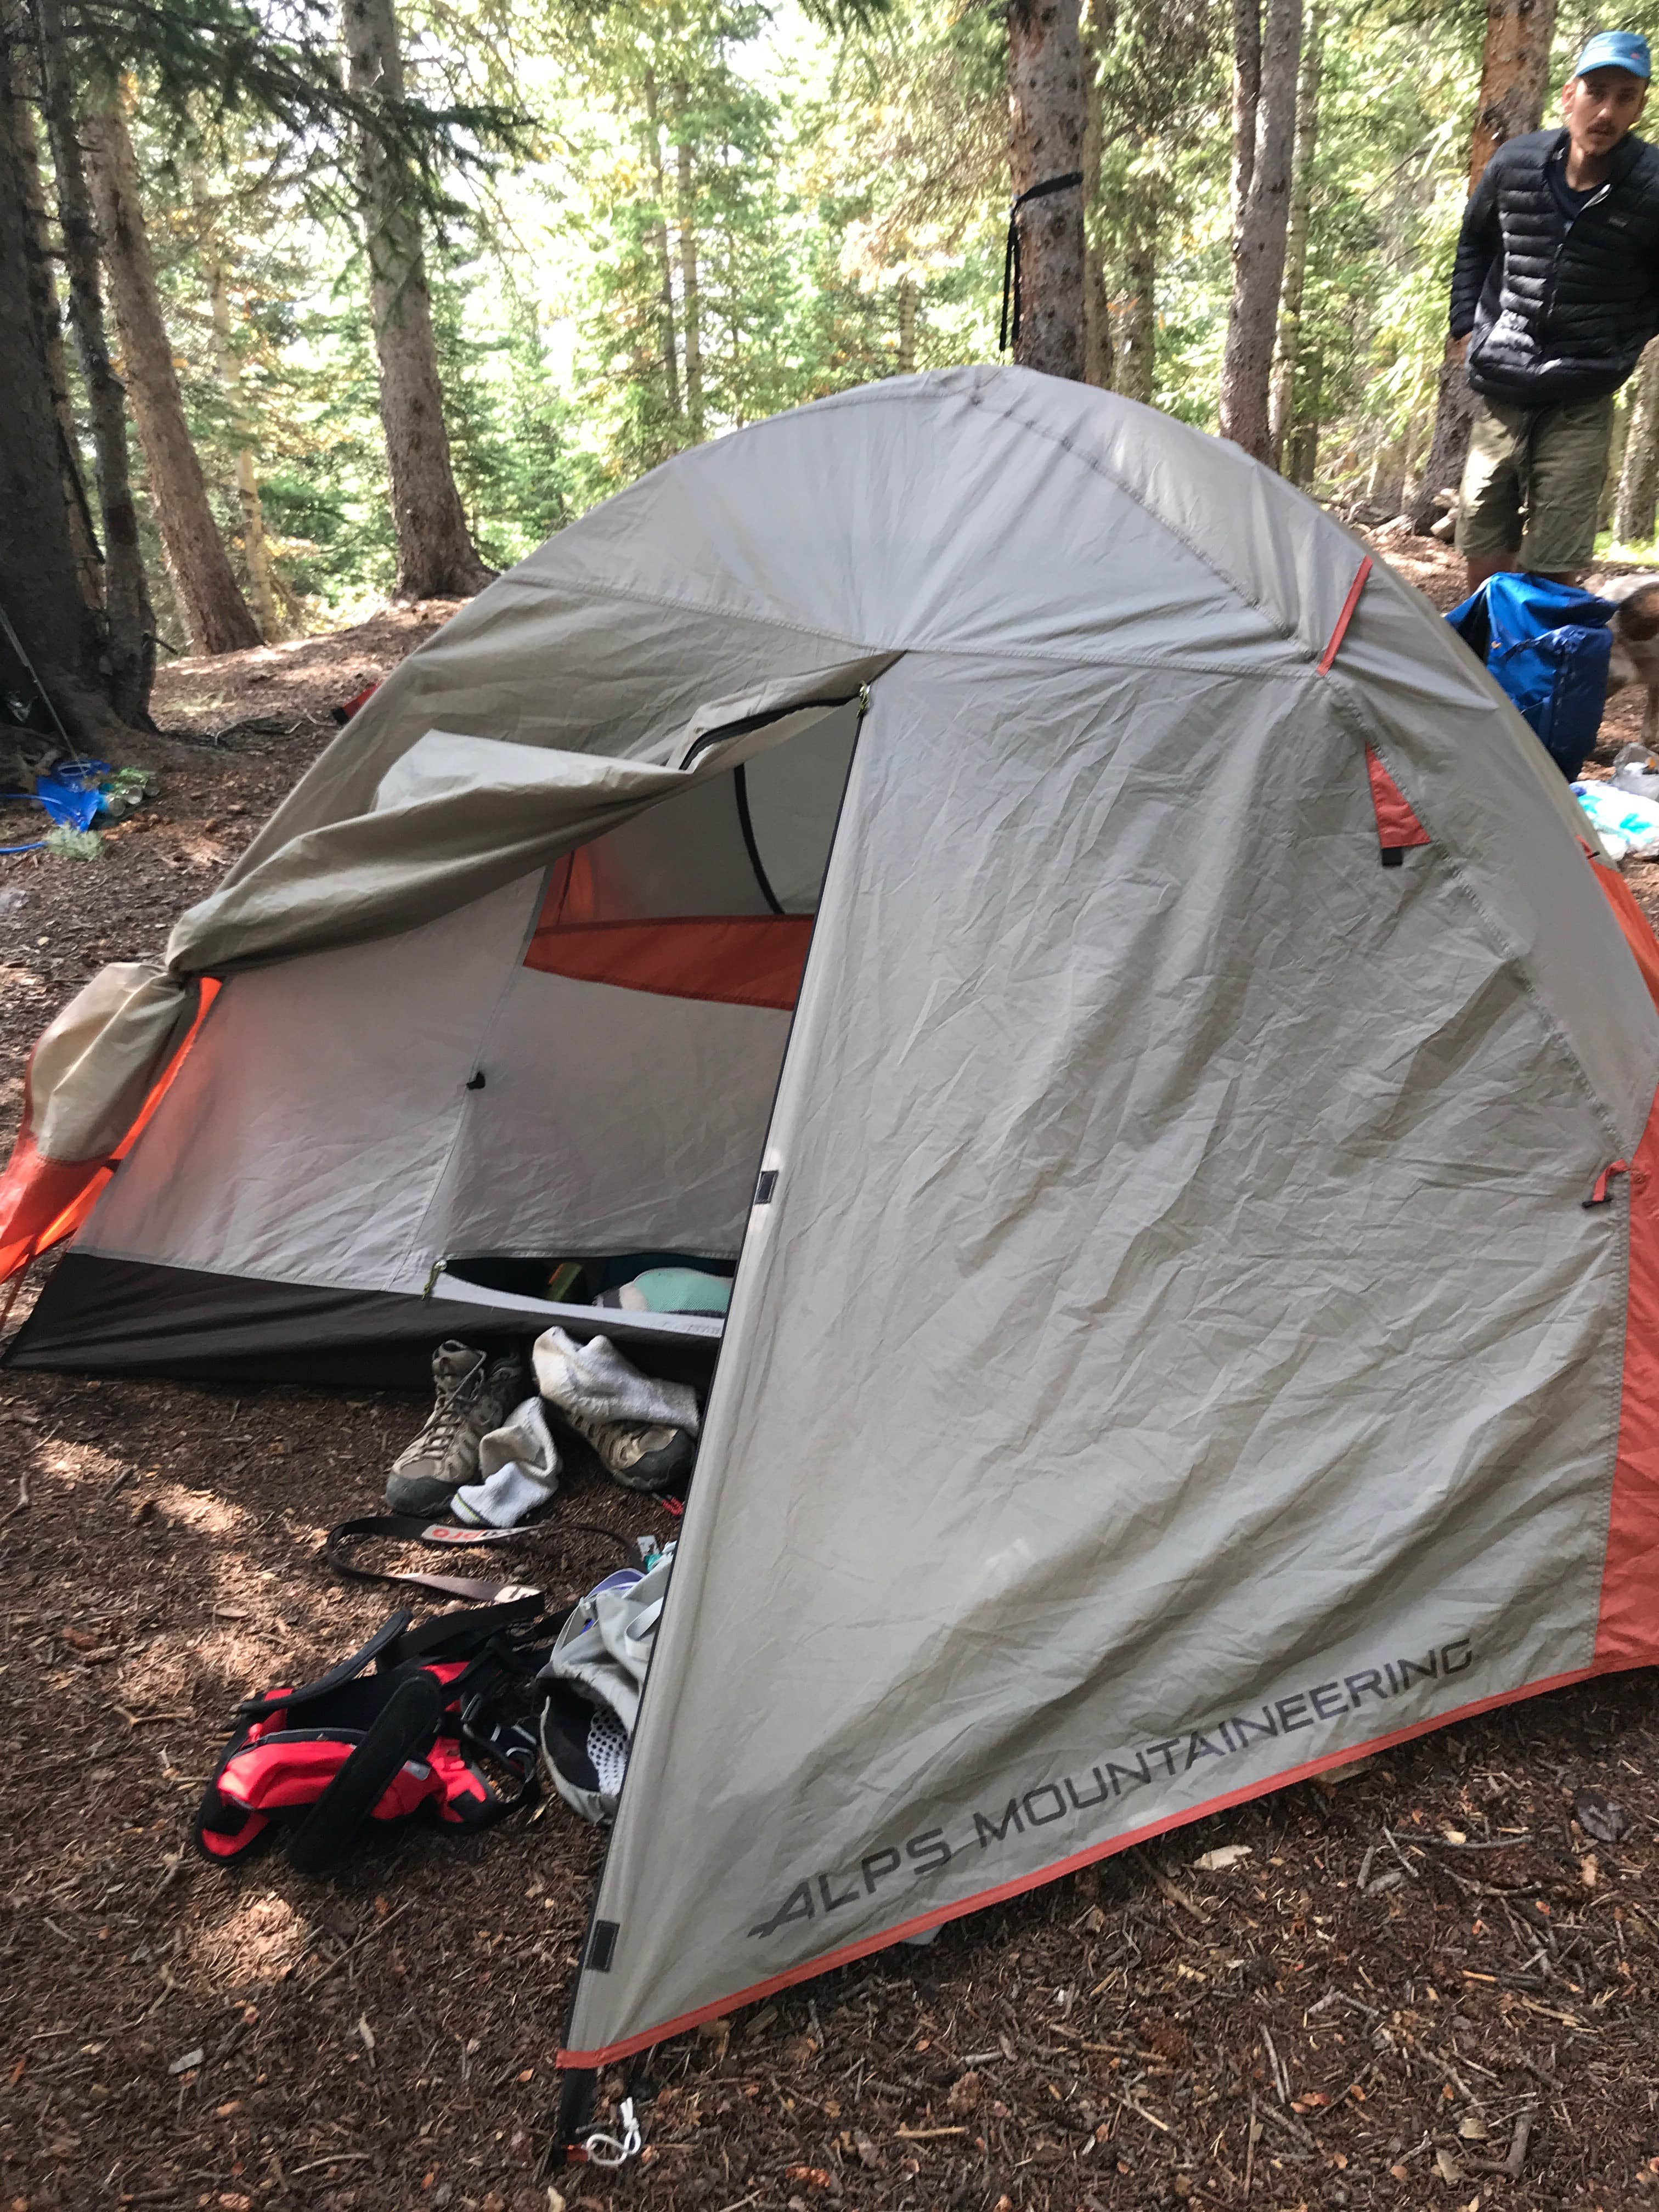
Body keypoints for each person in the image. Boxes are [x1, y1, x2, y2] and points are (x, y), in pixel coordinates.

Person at [1449, 31, 1659, 590]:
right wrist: (1465, 324)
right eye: (1596, 92)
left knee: (1555, 555)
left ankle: (1537, 670)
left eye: (1625, 96)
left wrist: (1622, 345)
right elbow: (1474, 240)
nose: (1607, 111)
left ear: (1641, 105)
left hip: (1580, 398)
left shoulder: (1652, 186)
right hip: (1503, 386)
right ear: (1570, 95)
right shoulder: (1516, 164)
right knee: (1483, 539)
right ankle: (1485, 664)